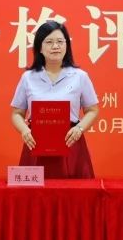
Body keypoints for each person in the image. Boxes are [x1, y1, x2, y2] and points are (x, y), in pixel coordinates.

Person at [9, 21, 100, 178]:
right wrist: (24, 130)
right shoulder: (28, 77)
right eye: (49, 42)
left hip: (70, 142)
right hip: (35, 142)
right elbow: (17, 113)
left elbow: (92, 110)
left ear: (67, 45)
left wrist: (79, 129)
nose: (55, 46)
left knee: (74, 190)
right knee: (33, 192)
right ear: (40, 47)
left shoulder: (80, 76)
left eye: (60, 41)